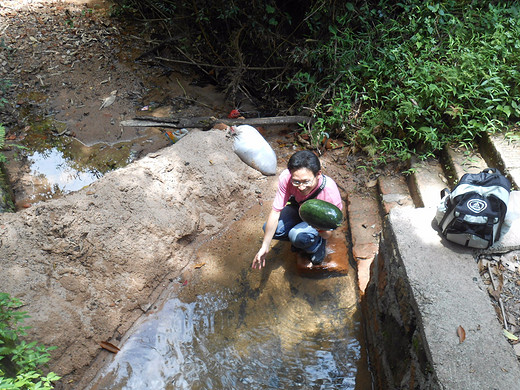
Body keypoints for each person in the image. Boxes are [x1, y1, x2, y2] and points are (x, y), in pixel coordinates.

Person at [252, 150, 343, 269]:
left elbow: (329, 233)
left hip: (317, 221)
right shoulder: (286, 178)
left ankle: (316, 244)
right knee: (270, 229)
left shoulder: (329, 191)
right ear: (290, 175)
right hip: (298, 208)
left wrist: (319, 230)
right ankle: (300, 241)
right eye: (296, 182)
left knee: (297, 235)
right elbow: (275, 212)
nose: (301, 187)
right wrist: (265, 246)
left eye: (306, 181)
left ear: (318, 174)